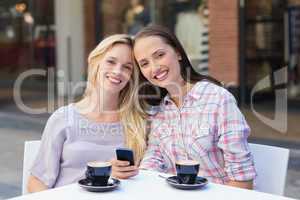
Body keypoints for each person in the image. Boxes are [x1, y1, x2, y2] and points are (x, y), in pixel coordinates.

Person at [133, 25, 257, 189]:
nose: (154, 67)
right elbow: (154, 159)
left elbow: (242, 178)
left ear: (178, 52)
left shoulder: (218, 99)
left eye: (160, 55)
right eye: (144, 63)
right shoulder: (159, 111)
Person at [27, 34, 147, 193]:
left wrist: (117, 174)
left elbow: (146, 178)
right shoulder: (63, 118)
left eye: (127, 67)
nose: (118, 71)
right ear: (95, 62)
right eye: (111, 61)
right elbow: (36, 182)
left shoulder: (138, 122)